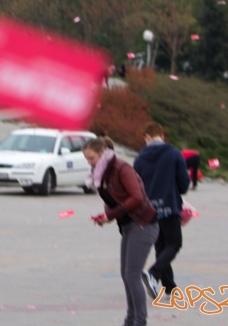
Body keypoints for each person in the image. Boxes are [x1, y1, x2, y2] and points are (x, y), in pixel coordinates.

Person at [84, 136, 159, 326]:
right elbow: (113, 201)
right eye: (87, 160)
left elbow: (137, 197)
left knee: (132, 275)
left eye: (91, 158)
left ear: (102, 153)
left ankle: (139, 321)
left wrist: (112, 214)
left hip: (143, 224)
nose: (90, 163)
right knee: (126, 275)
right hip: (127, 225)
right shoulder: (102, 174)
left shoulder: (121, 168)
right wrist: (106, 216)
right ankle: (131, 319)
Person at [134, 122, 190, 301]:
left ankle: (170, 288)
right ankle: (153, 273)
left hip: (149, 209)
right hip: (169, 205)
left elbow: (136, 184)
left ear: (147, 137)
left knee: (161, 247)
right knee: (174, 244)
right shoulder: (173, 153)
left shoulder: (140, 158)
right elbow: (184, 183)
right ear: (162, 136)